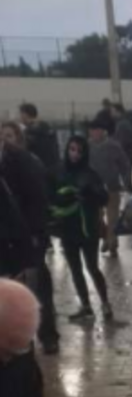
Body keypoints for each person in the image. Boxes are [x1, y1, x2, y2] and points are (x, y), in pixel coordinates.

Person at [0, 136, 61, 354]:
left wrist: (35, 234)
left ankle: (46, 335)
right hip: (4, 238)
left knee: (36, 289)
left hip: (25, 237)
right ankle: (14, 339)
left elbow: (38, 198)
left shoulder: (22, 160)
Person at [53, 136, 113, 320]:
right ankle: (86, 306)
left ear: (84, 153)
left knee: (92, 267)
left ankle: (105, 303)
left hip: (88, 229)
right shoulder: (60, 172)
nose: (75, 154)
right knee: (75, 268)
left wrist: (91, 193)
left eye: (79, 150)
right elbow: (52, 197)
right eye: (72, 149)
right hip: (67, 228)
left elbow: (104, 198)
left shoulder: (90, 174)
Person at [88, 119, 132, 257]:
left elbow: (124, 164)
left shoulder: (113, 145)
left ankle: (112, 241)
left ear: (103, 131)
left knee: (112, 216)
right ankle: (106, 238)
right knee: (97, 217)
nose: (94, 133)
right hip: (94, 188)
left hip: (112, 186)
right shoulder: (87, 146)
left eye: (96, 130)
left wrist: (126, 182)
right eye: (92, 130)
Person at [19, 103, 60, 171]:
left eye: (20, 114)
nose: (19, 117)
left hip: (38, 169)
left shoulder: (30, 131)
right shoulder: (48, 128)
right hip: (53, 167)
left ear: (25, 115)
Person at [112, 103, 132, 175]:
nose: (111, 113)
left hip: (127, 155)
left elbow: (121, 142)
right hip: (130, 153)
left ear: (118, 111)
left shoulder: (122, 124)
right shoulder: (124, 121)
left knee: (127, 177)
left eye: (113, 111)